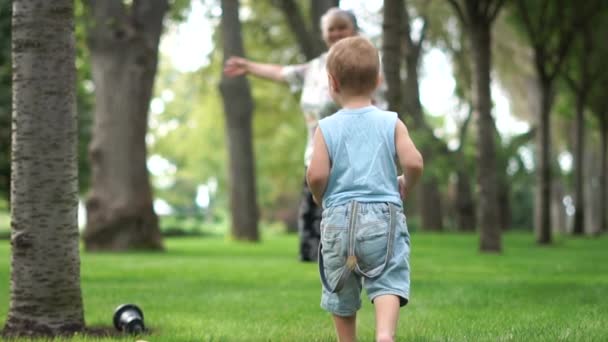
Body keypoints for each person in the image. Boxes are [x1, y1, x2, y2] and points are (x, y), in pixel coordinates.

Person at [224, 8, 386, 262]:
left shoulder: (367, 63)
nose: (336, 33)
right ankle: (326, 271)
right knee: (316, 222)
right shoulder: (316, 67)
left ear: (353, 30)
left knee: (353, 224)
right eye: (331, 28)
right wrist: (248, 67)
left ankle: (363, 264)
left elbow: (378, 107)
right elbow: (282, 73)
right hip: (317, 155)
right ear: (324, 34)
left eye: (341, 27)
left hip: (353, 160)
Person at [306, 36, 423, 342]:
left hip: (338, 221)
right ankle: (384, 336)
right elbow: (414, 162)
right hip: (382, 219)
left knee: (340, 282)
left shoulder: (326, 127)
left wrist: (321, 197)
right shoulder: (390, 122)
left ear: (332, 83)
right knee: (386, 278)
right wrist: (405, 183)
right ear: (378, 80)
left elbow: (316, 174)